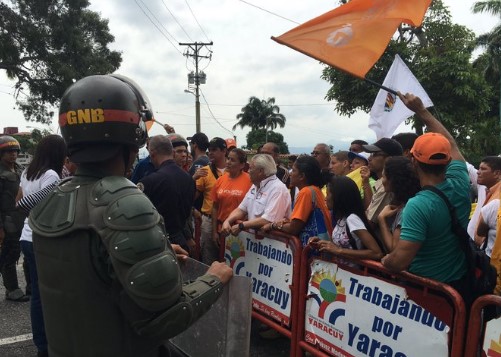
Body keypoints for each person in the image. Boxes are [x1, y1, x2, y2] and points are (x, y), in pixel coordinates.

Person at [29, 74, 232, 357]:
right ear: (132, 136)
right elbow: (163, 318)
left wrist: (155, 254)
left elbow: (93, 276)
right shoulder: (125, 202)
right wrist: (214, 279)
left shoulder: (54, 197)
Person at [381, 92, 470, 305]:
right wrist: (422, 111)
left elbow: (400, 260)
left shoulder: (417, 205)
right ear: (447, 160)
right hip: (458, 286)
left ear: (412, 162)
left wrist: (384, 261)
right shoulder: (460, 182)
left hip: (427, 293)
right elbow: (452, 144)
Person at [20, 134, 67, 357]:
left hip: (27, 236)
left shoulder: (27, 172)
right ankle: (45, 345)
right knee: (46, 295)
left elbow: (17, 200)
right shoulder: (51, 175)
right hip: (41, 237)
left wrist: (29, 211)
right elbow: (26, 202)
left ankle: (43, 343)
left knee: (39, 294)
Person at [139, 135, 196, 254]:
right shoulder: (189, 179)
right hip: (180, 240)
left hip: (158, 242)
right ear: (173, 153)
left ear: (152, 153)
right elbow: (187, 212)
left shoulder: (149, 181)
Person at [309, 176, 383, 263]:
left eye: (328, 194)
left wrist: (339, 251)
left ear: (338, 197)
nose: (325, 198)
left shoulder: (352, 219)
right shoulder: (342, 218)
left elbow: (376, 253)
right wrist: (322, 243)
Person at [262, 155, 332, 247]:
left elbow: (294, 228)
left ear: (302, 176)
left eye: (294, 170)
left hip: (312, 251)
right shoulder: (315, 190)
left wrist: (273, 225)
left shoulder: (306, 192)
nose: (290, 174)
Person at [221, 154, 291, 235]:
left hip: (271, 244)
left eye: (251, 168)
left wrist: (241, 226)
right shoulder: (255, 185)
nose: (248, 171)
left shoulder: (278, 189)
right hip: (254, 243)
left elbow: (268, 219)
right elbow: (241, 209)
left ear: (260, 171)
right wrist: (228, 221)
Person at [0, 135, 29, 302]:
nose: (13, 154)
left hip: (20, 217)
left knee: (16, 252)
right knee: (10, 254)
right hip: (6, 219)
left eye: (15, 151)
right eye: (8, 152)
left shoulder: (20, 170)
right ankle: (12, 289)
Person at [211, 148, 251, 255]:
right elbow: (215, 206)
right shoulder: (220, 180)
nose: (228, 162)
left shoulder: (250, 181)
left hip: (240, 231)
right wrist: (214, 231)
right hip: (221, 230)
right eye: (228, 158)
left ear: (242, 165)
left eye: (232, 160)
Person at [377, 157, 421, 252]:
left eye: (383, 177)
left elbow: (395, 250)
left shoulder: (408, 208)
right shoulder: (413, 200)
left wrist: (381, 219)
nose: (382, 180)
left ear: (393, 180)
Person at [195, 137, 227, 265]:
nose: (210, 153)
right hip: (208, 220)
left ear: (224, 151)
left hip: (228, 221)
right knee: (209, 258)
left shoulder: (234, 172)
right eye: (209, 150)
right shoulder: (204, 172)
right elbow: (193, 196)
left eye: (214, 150)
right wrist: (192, 179)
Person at [361, 138, 403, 223]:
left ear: (389, 159)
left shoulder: (387, 187)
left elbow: (370, 224)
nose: (369, 158)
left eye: (375, 154)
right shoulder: (382, 183)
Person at [468, 156, 501, 242]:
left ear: (497, 173)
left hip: (488, 252)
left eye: (483, 169)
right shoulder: (484, 188)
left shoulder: (496, 201)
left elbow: (481, 232)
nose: (478, 172)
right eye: (479, 168)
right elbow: (467, 167)